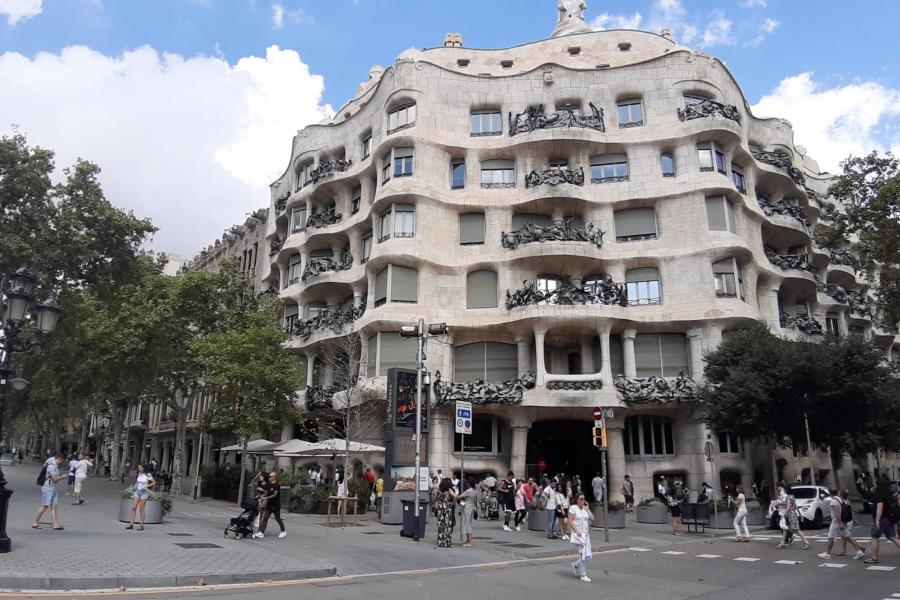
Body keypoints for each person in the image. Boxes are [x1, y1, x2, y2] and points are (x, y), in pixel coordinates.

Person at [818, 488, 864, 560]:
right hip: (843, 520)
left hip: (837, 521)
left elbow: (837, 513)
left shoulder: (833, 501)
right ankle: (859, 551)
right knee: (848, 536)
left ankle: (828, 554)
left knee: (830, 537)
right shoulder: (840, 499)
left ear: (830, 493)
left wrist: (840, 523)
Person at [864, 480, 900, 564]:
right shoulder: (889, 493)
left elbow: (879, 507)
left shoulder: (880, 493)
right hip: (890, 519)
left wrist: (877, 520)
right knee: (892, 537)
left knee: (874, 537)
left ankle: (874, 558)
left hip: (882, 519)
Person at [33, 453, 65, 530]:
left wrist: (59, 478)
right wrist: (62, 477)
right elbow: (55, 479)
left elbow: (55, 480)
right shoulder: (51, 466)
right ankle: (35, 522)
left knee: (54, 506)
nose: (61, 462)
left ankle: (55, 525)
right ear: (58, 459)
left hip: (53, 488)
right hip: (48, 488)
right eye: (61, 460)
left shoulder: (55, 466)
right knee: (45, 506)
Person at [567, 493, 595, 583]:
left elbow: (592, 518)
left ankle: (575, 564)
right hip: (577, 535)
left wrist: (587, 508)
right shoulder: (573, 508)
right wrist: (576, 530)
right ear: (577, 500)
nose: (583, 500)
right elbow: (570, 521)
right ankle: (583, 575)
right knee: (583, 554)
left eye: (584, 499)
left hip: (586, 535)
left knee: (588, 556)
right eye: (581, 499)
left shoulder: (584, 509)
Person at [255, 471, 287, 539]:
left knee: (277, 519)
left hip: (275, 506)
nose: (269, 478)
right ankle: (261, 533)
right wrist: (260, 495)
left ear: (273, 477)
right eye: (269, 476)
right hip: (269, 505)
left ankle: (283, 531)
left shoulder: (276, 485)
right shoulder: (268, 484)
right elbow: (265, 489)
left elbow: (275, 495)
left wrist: (265, 498)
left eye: (270, 477)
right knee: (265, 518)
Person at [126, 464, 155, 530]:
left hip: (144, 492)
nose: (139, 468)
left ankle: (141, 525)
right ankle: (131, 524)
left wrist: (146, 486)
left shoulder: (148, 474)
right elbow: (137, 482)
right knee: (133, 507)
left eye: (140, 467)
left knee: (141, 508)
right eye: (138, 467)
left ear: (143, 468)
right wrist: (134, 486)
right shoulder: (139, 473)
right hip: (137, 491)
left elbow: (153, 482)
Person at [434, 478, 457, 548]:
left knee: (441, 526)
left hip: (440, 509)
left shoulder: (439, 491)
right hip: (447, 509)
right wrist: (452, 503)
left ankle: (441, 542)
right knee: (448, 526)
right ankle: (447, 542)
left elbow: (435, 499)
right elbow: (456, 496)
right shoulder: (449, 490)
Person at [457, 476, 477, 546]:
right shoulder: (475, 490)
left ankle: (470, 541)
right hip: (472, 506)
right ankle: (468, 540)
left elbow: (459, 497)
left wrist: (461, 498)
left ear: (469, 483)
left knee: (467, 523)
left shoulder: (469, 491)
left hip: (467, 507)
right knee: (468, 523)